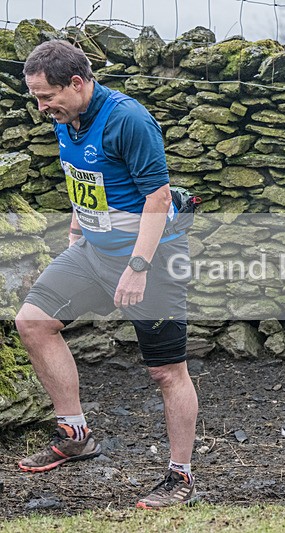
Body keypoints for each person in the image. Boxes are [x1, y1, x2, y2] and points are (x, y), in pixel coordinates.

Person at [15, 40, 198, 508]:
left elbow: (157, 199)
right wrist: (78, 226)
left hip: (151, 261)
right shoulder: (66, 117)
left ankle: (180, 476)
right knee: (33, 322)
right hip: (93, 253)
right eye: (35, 97)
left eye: (46, 96)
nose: (41, 107)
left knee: (165, 371)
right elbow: (84, 178)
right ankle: (76, 435)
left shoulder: (128, 120)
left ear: (78, 83)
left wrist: (138, 267)